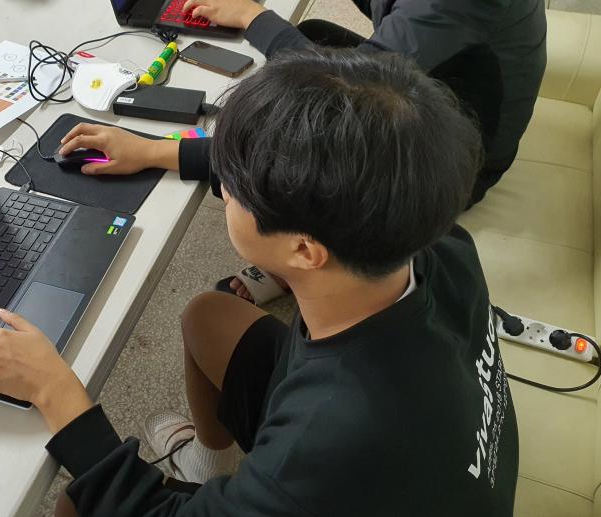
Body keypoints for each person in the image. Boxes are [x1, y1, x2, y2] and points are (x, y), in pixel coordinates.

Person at [0, 48, 518, 517]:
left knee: (80, 501)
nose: (223, 188)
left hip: (354, 470)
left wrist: (53, 388)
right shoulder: (430, 238)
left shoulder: (324, 438)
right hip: (389, 445)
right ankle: (205, 462)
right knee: (208, 316)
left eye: (235, 185)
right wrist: (156, 152)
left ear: (304, 251)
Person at [59, 0, 546, 303]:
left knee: (288, 147)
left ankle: (303, 270)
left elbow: (319, 126)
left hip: (451, 158)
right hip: (440, 100)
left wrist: (153, 152)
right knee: (310, 33)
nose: (226, 195)